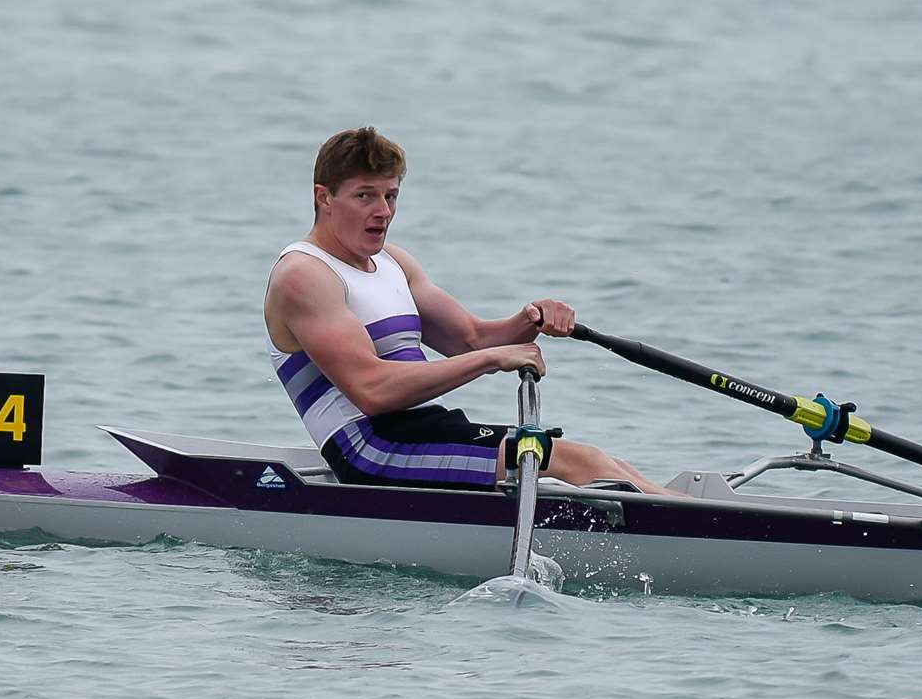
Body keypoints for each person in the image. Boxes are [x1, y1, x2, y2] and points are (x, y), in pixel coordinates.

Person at [263, 126, 672, 495]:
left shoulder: (393, 262)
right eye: (365, 195)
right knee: (572, 461)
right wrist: (491, 360)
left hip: (423, 430)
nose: (383, 211)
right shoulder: (304, 275)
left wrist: (531, 319)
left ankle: (703, 517)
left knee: (603, 463)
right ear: (324, 198)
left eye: (391, 195)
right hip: (370, 449)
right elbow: (372, 391)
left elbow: (470, 338)